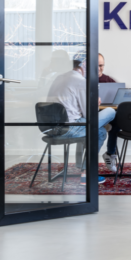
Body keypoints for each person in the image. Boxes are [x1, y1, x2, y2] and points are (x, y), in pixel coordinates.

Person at [47, 56, 119, 184]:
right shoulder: (81, 82)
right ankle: (87, 173)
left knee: (98, 129)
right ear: (84, 65)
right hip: (69, 128)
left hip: (50, 127)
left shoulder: (59, 77)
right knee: (108, 116)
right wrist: (95, 103)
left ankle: (85, 171)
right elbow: (89, 115)